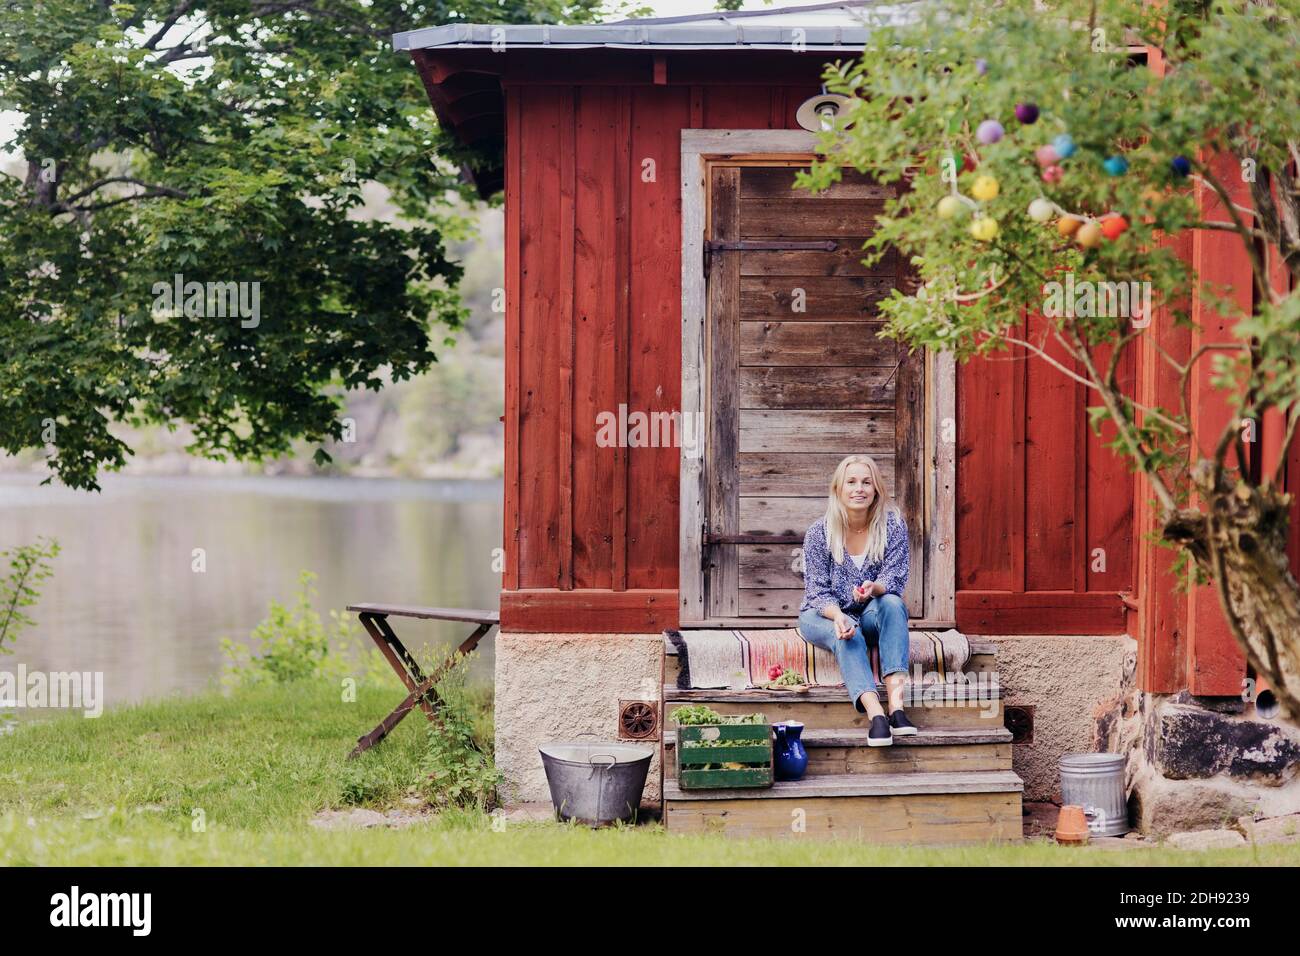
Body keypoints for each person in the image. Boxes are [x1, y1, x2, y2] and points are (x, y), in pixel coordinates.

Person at [797, 454, 914, 747]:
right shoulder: (819, 532)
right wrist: (838, 617)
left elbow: (895, 579)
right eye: (851, 482)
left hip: (872, 610)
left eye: (866, 482)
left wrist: (874, 588)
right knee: (848, 634)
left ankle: (897, 710)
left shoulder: (893, 526)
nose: (859, 488)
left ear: (876, 490)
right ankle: (877, 715)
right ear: (838, 488)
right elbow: (817, 590)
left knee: (893, 604)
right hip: (822, 613)